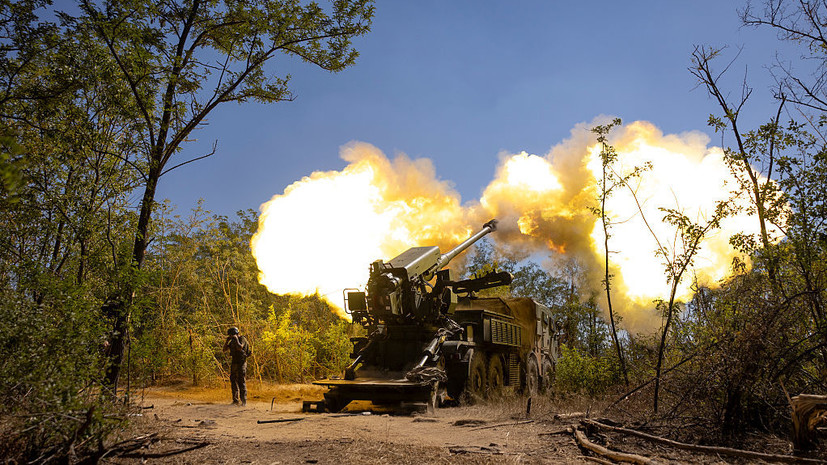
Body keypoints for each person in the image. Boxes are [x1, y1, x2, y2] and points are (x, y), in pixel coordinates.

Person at [222, 327, 251, 406]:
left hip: (242, 362)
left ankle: (243, 401)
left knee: (241, 380)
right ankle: (235, 400)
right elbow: (224, 349)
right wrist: (227, 341)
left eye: (232, 335)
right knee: (233, 380)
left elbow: (240, 347)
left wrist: (236, 339)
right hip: (234, 362)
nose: (231, 337)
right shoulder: (232, 341)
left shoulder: (242, 339)